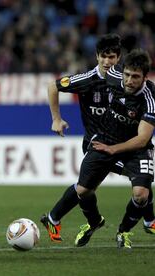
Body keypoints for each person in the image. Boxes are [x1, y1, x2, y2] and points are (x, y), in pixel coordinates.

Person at [41, 35, 155, 243]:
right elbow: (53, 86)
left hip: (128, 144)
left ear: (118, 58)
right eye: (103, 57)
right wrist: (56, 119)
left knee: (141, 187)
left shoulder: (125, 79)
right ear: (96, 57)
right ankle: (91, 221)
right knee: (85, 190)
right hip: (99, 141)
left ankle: (142, 222)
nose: (107, 62)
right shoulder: (91, 79)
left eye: (111, 57)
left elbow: (142, 137)